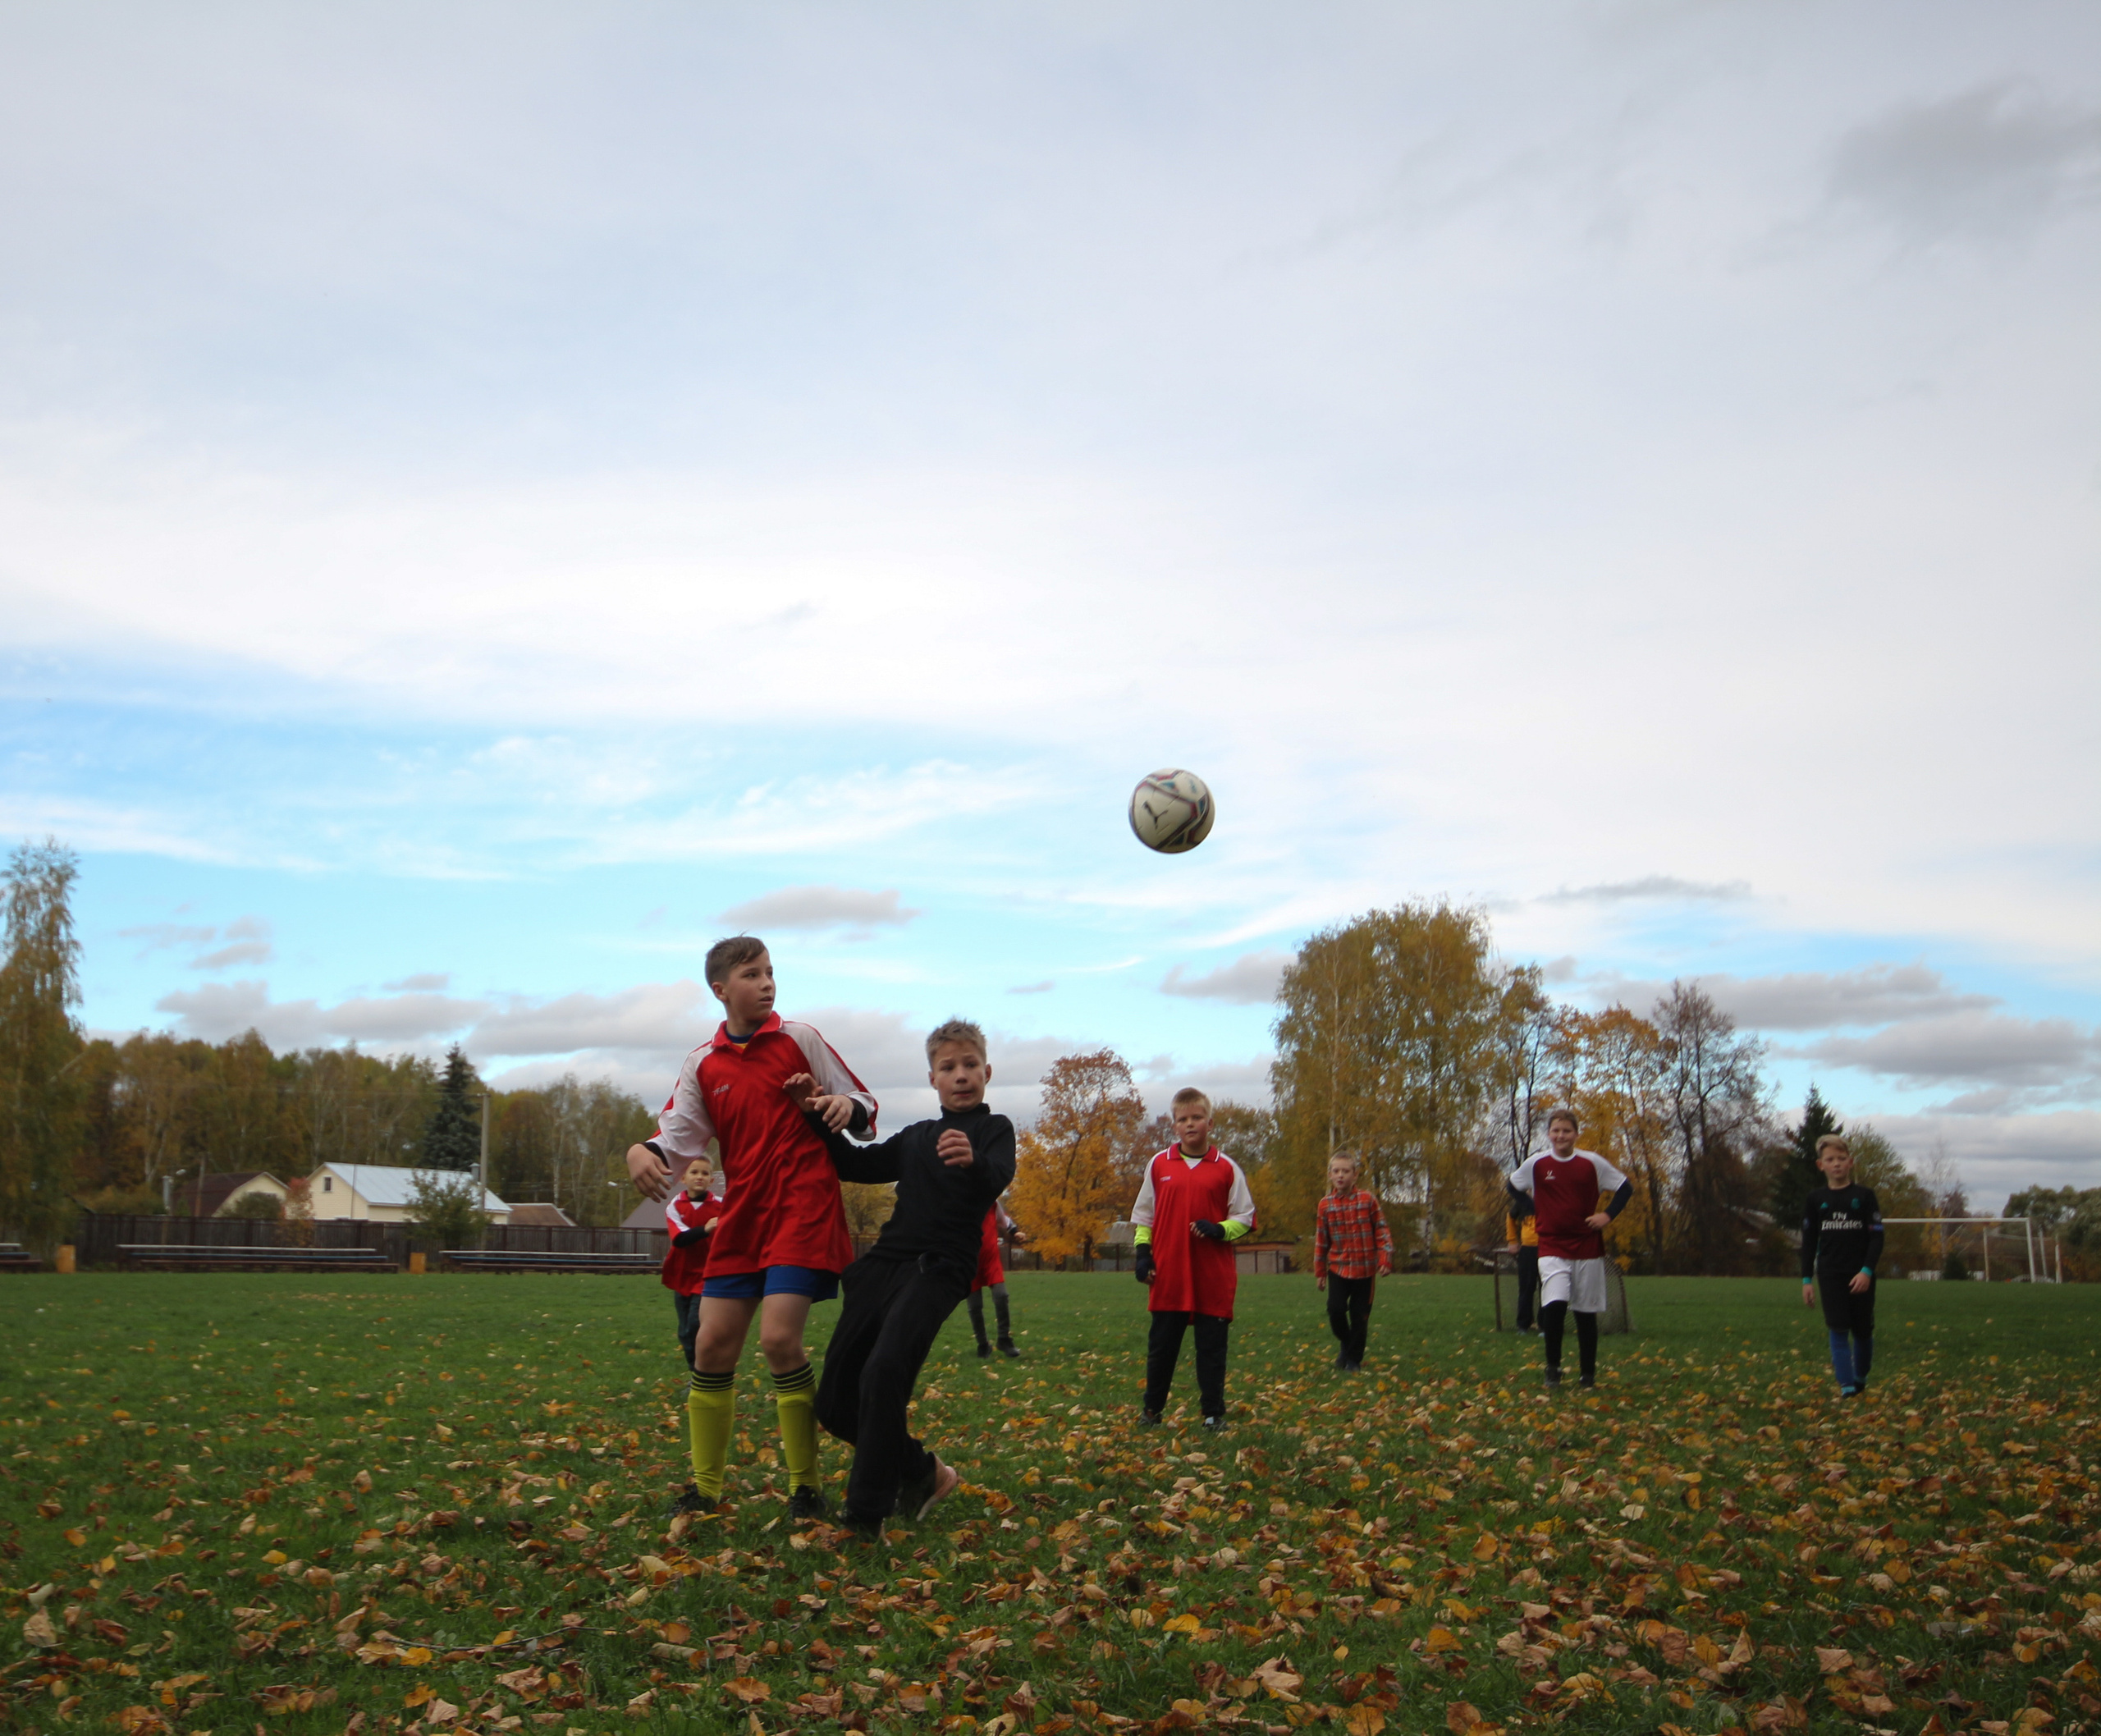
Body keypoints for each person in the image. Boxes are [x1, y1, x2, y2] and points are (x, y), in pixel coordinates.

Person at [625, 936, 876, 1521]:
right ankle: (706, 1492)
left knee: (779, 1339)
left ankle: (806, 1488)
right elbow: (678, 1136)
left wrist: (846, 1110)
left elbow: (863, 1101)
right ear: (721, 989)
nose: (767, 983)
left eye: (770, 972)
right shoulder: (703, 1063)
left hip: (802, 1205)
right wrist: (641, 1149)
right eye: (752, 974)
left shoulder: (800, 1039)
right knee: (710, 1346)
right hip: (742, 1213)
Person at [792, 1019, 1014, 1535]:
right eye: (948, 1067)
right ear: (932, 1078)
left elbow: (998, 1174)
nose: (961, 1076)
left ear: (987, 1071)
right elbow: (856, 1164)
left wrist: (974, 1160)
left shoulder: (994, 1129)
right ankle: (921, 1471)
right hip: (883, 1266)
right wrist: (813, 1115)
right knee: (834, 1404)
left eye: (970, 1065)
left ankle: (864, 1519)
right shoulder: (916, 1137)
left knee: (884, 1373)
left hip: (939, 1269)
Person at [1132, 1088, 1256, 1431]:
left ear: (1210, 1122)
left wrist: (1219, 1229)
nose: (1190, 1124)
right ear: (1174, 1126)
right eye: (1183, 1119)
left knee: (1211, 1351)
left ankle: (1213, 1414)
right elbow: (1144, 1217)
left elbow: (1245, 1218)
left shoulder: (1227, 1168)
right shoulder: (1158, 1165)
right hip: (1168, 1275)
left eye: (1197, 1118)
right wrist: (1143, 1255)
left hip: (1211, 1277)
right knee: (1162, 1350)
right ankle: (1152, 1411)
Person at [1507, 1108, 1631, 1390]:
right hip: (1551, 1245)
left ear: (1576, 1134)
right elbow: (1513, 1186)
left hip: (1587, 1246)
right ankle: (1553, 1369)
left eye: (1566, 1131)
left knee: (1585, 1313)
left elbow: (1625, 1188)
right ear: (1549, 1134)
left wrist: (1607, 1216)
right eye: (1555, 1131)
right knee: (1555, 1304)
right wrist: (1537, 1209)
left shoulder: (1592, 1163)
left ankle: (1587, 1375)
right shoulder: (1537, 1164)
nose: (1560, 1136)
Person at [1801, 1134, 1884, 1397]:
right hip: (1830, 1274)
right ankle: (1847, 1387)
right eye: (1830, 1159)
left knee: (1862, 1331)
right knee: (1837, 1328)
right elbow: (1808, 1241)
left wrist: (1867, 1271)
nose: (1836, 1163)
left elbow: (1877, 1237)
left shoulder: (1865, 1196)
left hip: (1861, 1275)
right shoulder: (1815, 1199)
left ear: (1851, 1162)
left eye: (1841, 1158)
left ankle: (1859, 1378)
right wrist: (1806, 1280)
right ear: (1820, 1165)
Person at [1313, 1150, 1391, 1371]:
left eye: (1346, 1171)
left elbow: (1382, 1231)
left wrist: (1385, 1258)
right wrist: (1320, 1272)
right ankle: (1346, 1343)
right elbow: (1321, 1240)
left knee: (1360, 1317)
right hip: (1338, 1268)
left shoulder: (1367, 1200)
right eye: (1336, 1171)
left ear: (1355, 1175)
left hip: (1365, 1270)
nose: (1341, 1176)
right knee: (1335, 1310)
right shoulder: (1325, 1205)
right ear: (1330, 1175)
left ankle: (1353, 1360)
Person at [662, 1155, 724, 1370]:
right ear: (683, 1178)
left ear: (712, 1181)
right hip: (682, 1274)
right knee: (685, 1331)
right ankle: (694, 1371)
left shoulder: (722, 1207)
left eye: (705, 1173)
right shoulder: (675, 1206)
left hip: (708, 1275)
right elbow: (680, 1239)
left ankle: (703, 1372)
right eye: (694, 1172)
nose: (699, 1177)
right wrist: (706, 1229)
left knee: (696, 1325)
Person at [966, 1199, 1024, 1358]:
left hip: (991, 1260)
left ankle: (1004, 1339)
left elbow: (1004, 1219)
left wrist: (1014, 1232)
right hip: (969, 1262)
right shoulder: (959, 1202)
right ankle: (983, 1344)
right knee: (975, 1306)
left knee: (1001, 1296)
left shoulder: (991, 1201)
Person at [1504, 1189, 1540, 1333]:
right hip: (1528, 1250)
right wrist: (1512, 1241)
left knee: (1548, 1288)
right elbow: (1510, 1217)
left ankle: (1545, 1325)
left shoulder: (1550, 1199)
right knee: (1526, 1287)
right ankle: (1523, 1324)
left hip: (1547, 1249)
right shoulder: (1522, 1202)